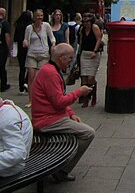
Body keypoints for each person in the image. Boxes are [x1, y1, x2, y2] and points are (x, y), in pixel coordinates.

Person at [30, 44, 95, 182]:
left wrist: (71, 114)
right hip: (47, 121)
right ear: (61, 57)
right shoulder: (50, 73)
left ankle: (62, 165)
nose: (71, 62)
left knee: (81, 131)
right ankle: (62, 169)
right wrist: (79, 92)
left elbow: (58, 96)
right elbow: (59, 102)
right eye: (69, 58)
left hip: (53, 116)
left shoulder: (52, 69)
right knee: (88, 133)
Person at [23, 9, 56, 108]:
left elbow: (52, 38)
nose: (40, 17)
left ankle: (40, 99)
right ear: (34, 17)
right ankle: (31, 100)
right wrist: (25, 42)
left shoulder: (46, 26)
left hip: (43, 55)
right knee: (31, 78)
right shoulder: (29, 28)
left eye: (41, 15)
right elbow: (26, 39)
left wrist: (53, 45)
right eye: (38, 16)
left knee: (39, 78)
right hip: (31, 54)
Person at [79, 12, 104, 107]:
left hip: (94, 54)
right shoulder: (82, 29)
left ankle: (94, 95)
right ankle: (86, 99)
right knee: (84, 79)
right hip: (84, 54)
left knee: (91, 78)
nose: (86, 24)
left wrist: (95, 50)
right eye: (84, 22)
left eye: (88, 22)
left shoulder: (95, 28)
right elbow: (81, 42)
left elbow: (98, 39)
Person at [13, 10, 32, 95]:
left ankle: (21, 86)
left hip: (20, 49)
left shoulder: (18, 26)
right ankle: (26, 82)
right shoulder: (30, 26)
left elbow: (15, 38)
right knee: (30, 67)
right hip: (29, 48)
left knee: (22, 68)